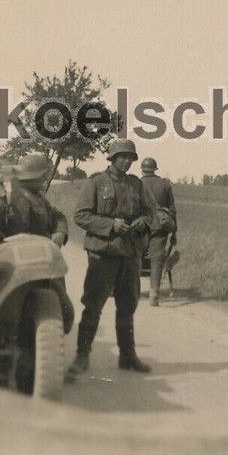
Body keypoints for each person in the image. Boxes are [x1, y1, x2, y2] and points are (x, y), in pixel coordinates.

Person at [68, 138, 158, 379]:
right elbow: (81, 216)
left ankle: (127, 355)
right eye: (123, 157)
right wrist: (110, 225)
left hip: (130, 254)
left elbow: (152, 212)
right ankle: (82, 355)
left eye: (130, 158)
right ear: (112, 158)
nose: (127, 161)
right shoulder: (96, 182)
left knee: (127, 306)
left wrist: (143, 221)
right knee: (93, 305)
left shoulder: (137, 185)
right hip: (103, 253)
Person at [7, 153, 74, 329]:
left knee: (63, 312)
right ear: (33, 176)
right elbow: (20, 235)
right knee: (64, 312)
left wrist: (60, 232)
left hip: (44, 257)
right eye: (43, 175)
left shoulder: (37, 197)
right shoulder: (17, 199)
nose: (45, 179)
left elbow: (58, 216)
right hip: (33, 262)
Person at [139, 157, 177, 306]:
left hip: (141, 226)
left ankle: (134, 291)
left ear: (142, 170)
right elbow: (172, 210)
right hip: (160, 227)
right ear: (155, 169)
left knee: (136, 258)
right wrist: (174, 232)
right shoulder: (165, 184)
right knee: (156, 260)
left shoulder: (137, 183)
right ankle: (154, 294)